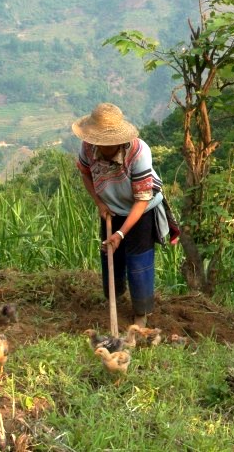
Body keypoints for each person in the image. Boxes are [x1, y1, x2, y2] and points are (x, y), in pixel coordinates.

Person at [72, 102, 170, 327]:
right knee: (110, 255)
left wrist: (121, 233)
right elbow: (86, 174)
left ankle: (141, 311)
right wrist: (99, 203)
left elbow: (142, 199)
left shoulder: (138, 153)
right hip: (110, 208)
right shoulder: (88, 147)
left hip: (141, 210)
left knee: (138, 262)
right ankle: (115, 297)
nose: (101, 145)